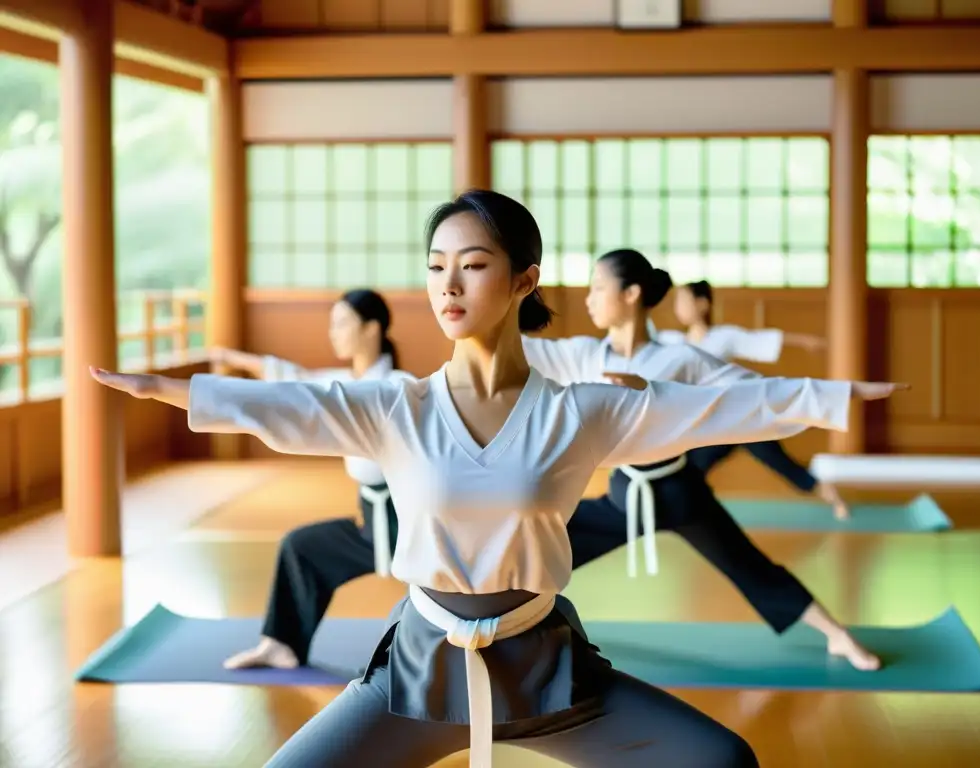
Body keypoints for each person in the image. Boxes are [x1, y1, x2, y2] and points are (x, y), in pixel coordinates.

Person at [93, 190, 904, 768]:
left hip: (545, 664)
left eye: (473, 265)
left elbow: (719, 408)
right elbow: (292, 403)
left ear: (523, 279)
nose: (447, 285)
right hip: (419, 665)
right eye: (437, 265)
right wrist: (174, 390)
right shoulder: (395, 407)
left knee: (720, 760)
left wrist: (833, 398)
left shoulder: (581, 410)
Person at [522, 249, 882, 672]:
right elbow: (514, 349)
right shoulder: (583, 354)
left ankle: (838, 637)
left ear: (632, 293)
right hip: (624, 495)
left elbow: (753, 392)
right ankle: (508, 630)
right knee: (539, 544)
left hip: (679, 491)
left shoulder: (680, 359)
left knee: (751, 567)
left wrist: (842, 393)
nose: (589, 298)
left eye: (598, 287)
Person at [211, 289, 414, 671]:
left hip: (414, 520)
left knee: (437, 586)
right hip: (373, 522)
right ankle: (280, 644)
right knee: (302, 547)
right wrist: (232, 359)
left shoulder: (399, 384)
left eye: (341, 323)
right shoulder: (345, 381)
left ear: (372, 329)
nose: (333, 332)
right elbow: (293, 379)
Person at [653, 279, 849, 519]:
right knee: (691, 468)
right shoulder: (672, 341)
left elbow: (762, 340)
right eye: (677, 301)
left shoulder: (723, 337)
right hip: (713, 426)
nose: (678, 307)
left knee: (782, 464)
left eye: (684, 300)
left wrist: (806, 342)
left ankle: (832, 496)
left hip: (743, 417)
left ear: (702, 304)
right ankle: (675, 511)